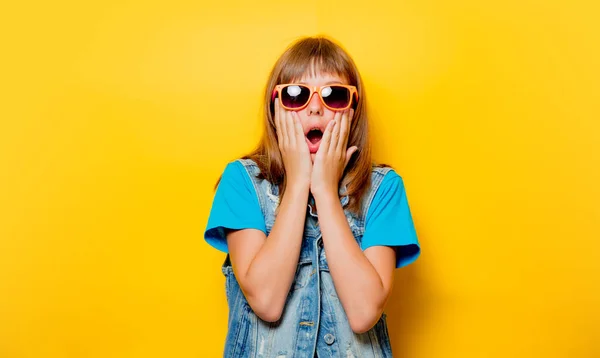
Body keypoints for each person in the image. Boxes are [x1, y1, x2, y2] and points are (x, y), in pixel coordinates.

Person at [204, 35, 420, 357]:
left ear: (353, 108)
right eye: (296, 95)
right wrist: (300, 179)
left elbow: (364, 313)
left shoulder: (384, 190)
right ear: (275, 107)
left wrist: (324, 191)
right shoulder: (242, 183)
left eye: (334, 95)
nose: (316, 107)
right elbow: (266, 300)